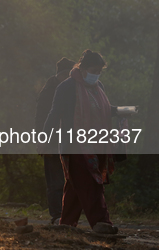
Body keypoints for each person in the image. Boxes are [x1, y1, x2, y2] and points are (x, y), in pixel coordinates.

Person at [43, 50, 133, 234]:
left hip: (96, 145)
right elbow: (54, 114)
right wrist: (45, 138)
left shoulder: (98, 87)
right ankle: (102, 223)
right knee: (91, 184)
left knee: (75, 187)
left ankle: (66, 225)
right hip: (75, 145)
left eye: (99, 71)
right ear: (82, 68)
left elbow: (105, 110)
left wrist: (126, 110)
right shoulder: (66, 87)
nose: (96, 74)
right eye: (94, 70)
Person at [35, 57, 75, 225]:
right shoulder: (49, 91)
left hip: (66, 142)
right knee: (55, 180)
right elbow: (41, 120)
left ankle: (66, 214)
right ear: (64, 74)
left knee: (67, 179)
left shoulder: (66, 89)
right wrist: (42, 141)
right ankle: (56, 215)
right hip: (51, 142)